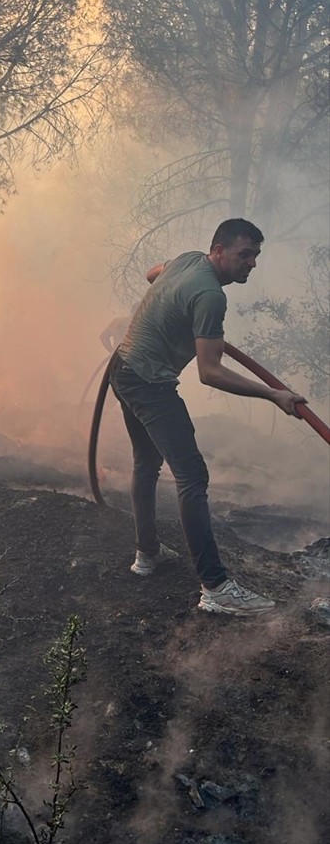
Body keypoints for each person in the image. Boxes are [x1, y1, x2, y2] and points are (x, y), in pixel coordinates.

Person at [109, 218, 306, 617]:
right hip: (148, 383)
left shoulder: (188, 261)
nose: (250, 263)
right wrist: (273, 395)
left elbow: (154, 274)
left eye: (255, 256)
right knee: (192, 475)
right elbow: (210, 372)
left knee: (146, 463)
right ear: (218, 251)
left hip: (123, 370)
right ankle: (216, 587)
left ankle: (147, 555)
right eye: (243, 254)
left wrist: (174, 304)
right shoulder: (212, 296)